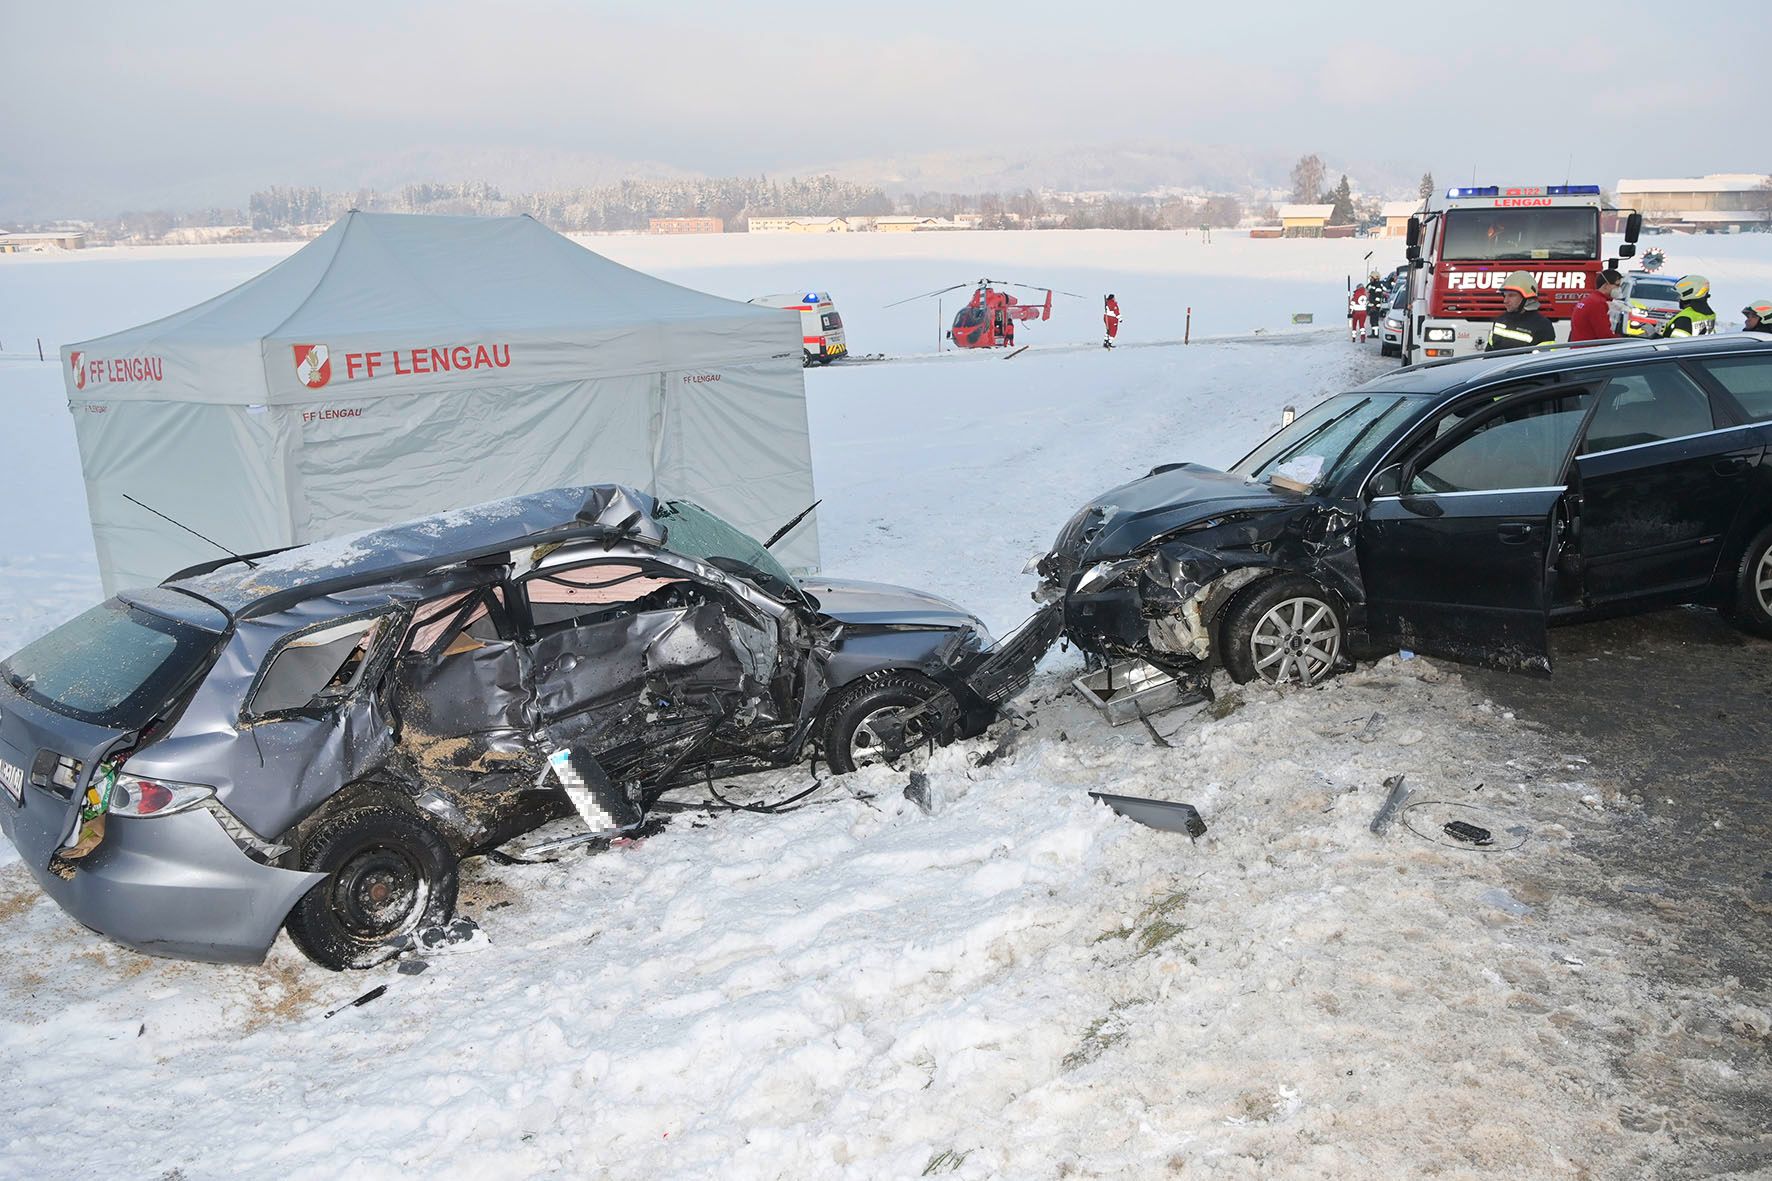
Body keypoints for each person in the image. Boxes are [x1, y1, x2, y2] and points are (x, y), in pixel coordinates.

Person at [1486, 271, 1557, 351]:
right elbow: (1488, 353)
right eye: (1505, 296)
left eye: (1511, 295)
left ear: (1527, 298)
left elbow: (1543, 360)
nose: (1505, 301)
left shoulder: (1543, 326)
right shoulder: (1500, 320)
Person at [1569, 267, 1623, 342]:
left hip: (1581, 348)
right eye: (1617, 285)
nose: (1619, 289)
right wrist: (1623, 340)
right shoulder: (1598, 303)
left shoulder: (1589, 300)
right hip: (1591, 350)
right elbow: (1604, 336)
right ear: (1606, 285)